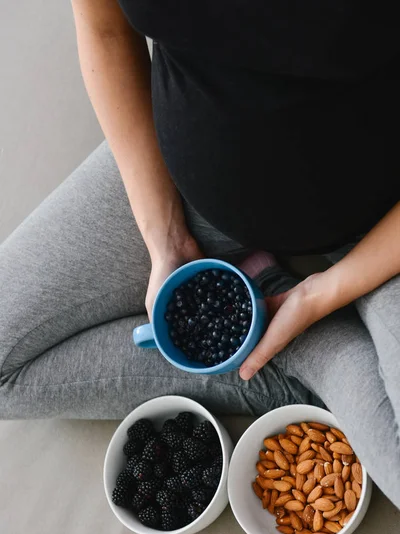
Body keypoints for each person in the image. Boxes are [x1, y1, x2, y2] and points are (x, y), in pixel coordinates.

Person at [0, 0, 399, 508]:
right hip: (180, 184)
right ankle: (292, 351)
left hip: (378, 221)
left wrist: (326, 291)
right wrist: (162, 234)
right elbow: (103, 30)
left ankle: (293, 331)